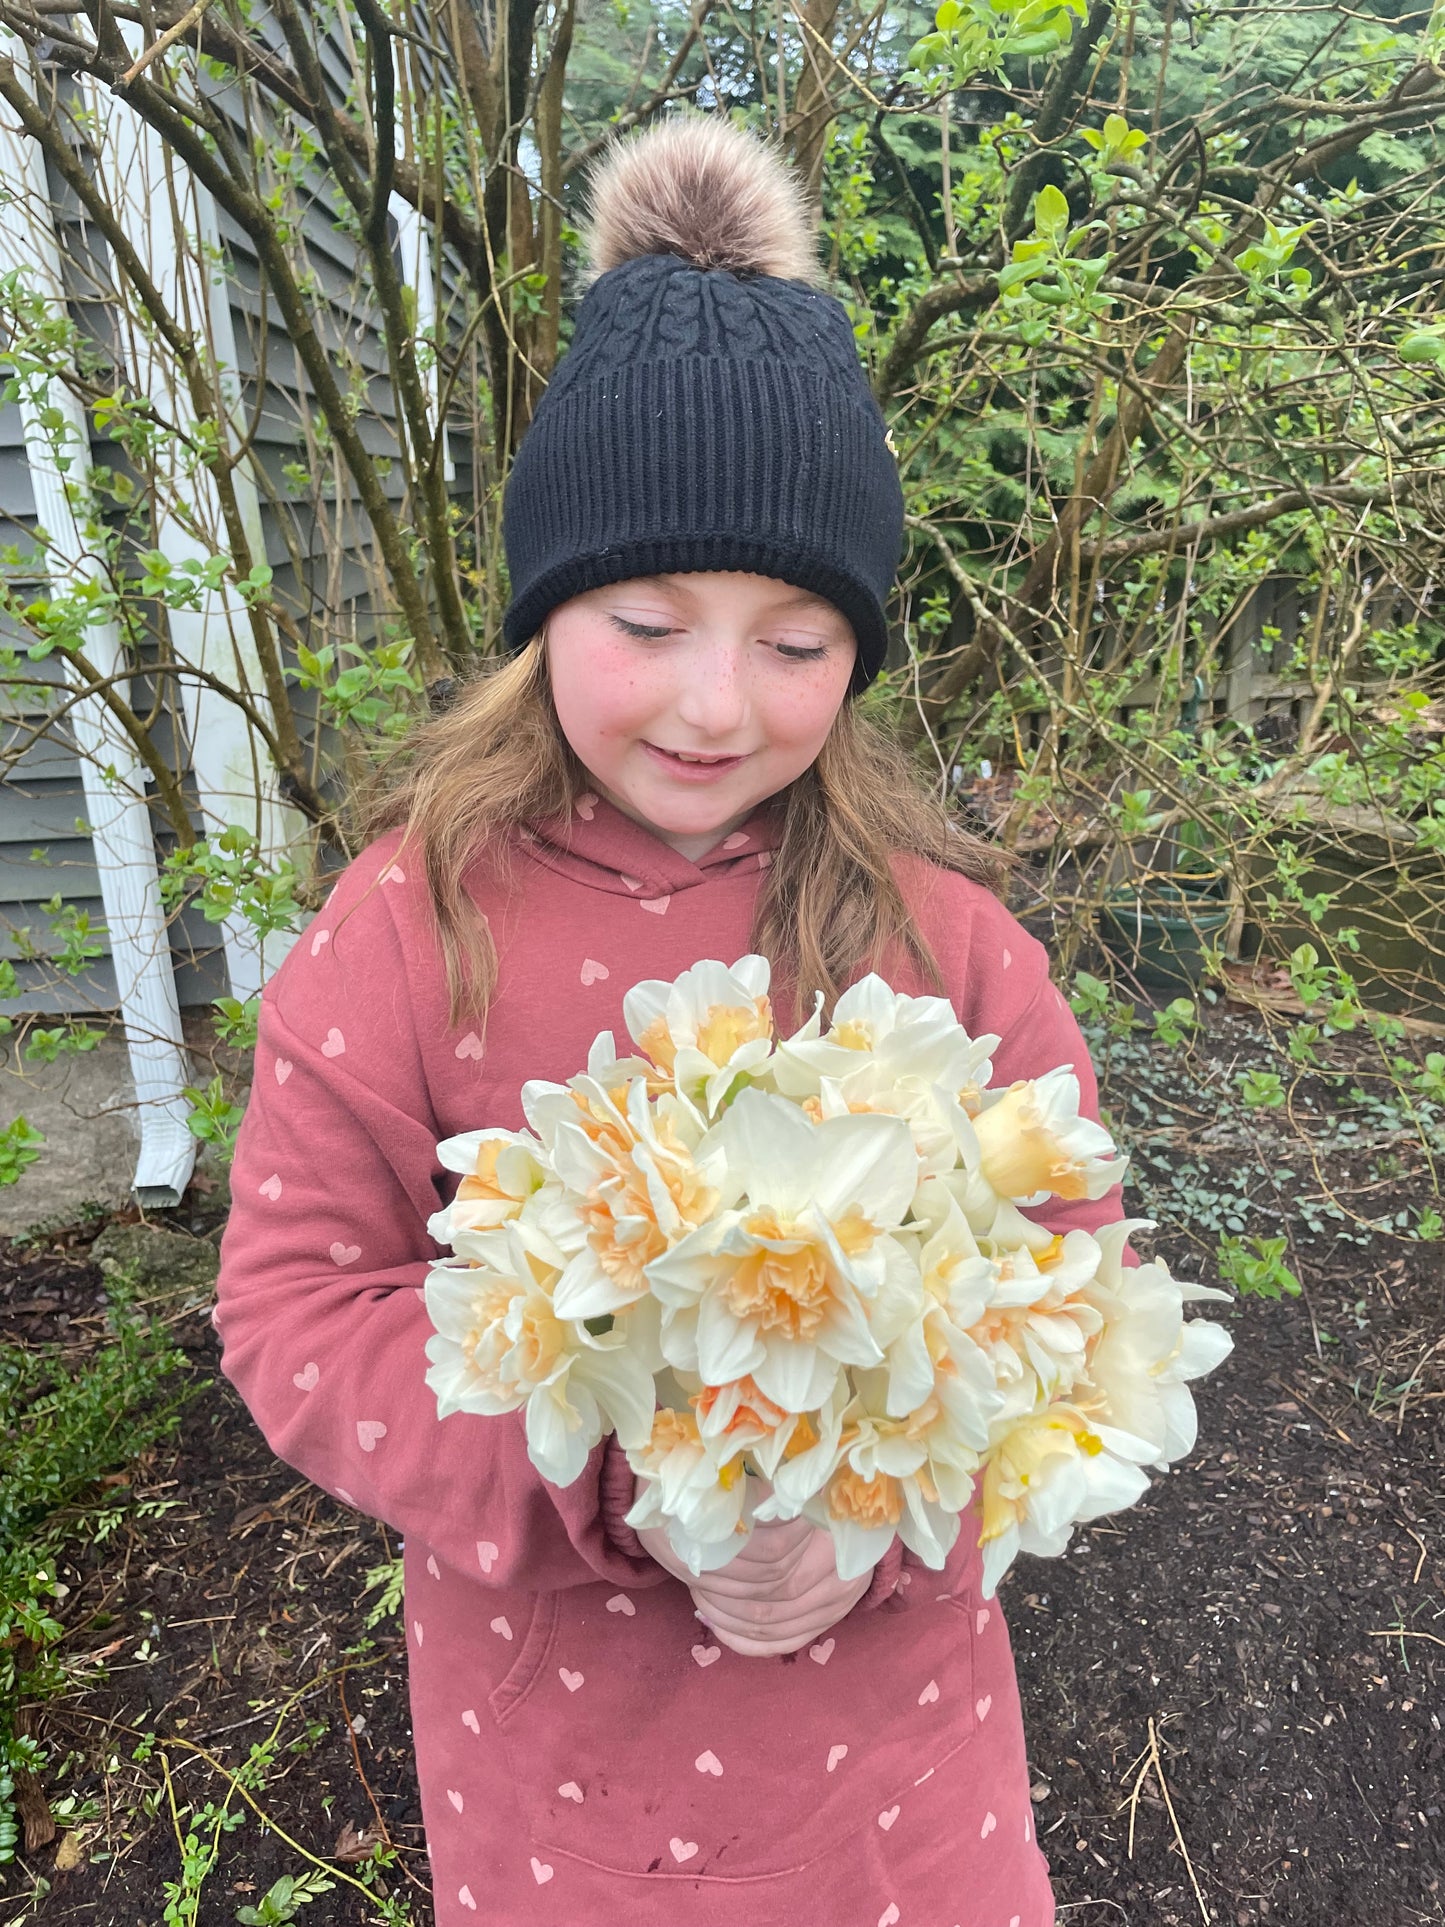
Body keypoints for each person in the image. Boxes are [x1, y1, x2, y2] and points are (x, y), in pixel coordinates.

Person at [215, 114, 1123, 1927]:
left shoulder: (940, 944)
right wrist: (628, 1476)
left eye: (795, 643)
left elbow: (1070, 1296)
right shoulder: (411, 927)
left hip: (898, 1772)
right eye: (647, 617)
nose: (719, 703)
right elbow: (296, 1310)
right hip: (567, 1772)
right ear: (547, 608)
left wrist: (869, 1511)